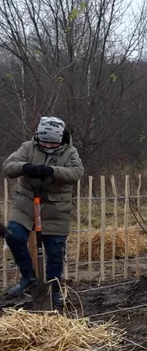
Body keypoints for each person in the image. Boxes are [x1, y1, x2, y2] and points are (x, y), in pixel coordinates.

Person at [2, 117, 83, 307]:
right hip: (26, 204)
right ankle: (28, 277)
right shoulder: (28, 147)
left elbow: (76, 173)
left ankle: (53, 290)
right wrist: (25, 167)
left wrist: (51, 171)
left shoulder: (70, 152)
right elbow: (8, 166)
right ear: (38, 136)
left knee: (55, 252)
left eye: (52, 142)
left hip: (56, 209)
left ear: (60, 139)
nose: (47, 145)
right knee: (13, 235)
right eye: (44, 141)